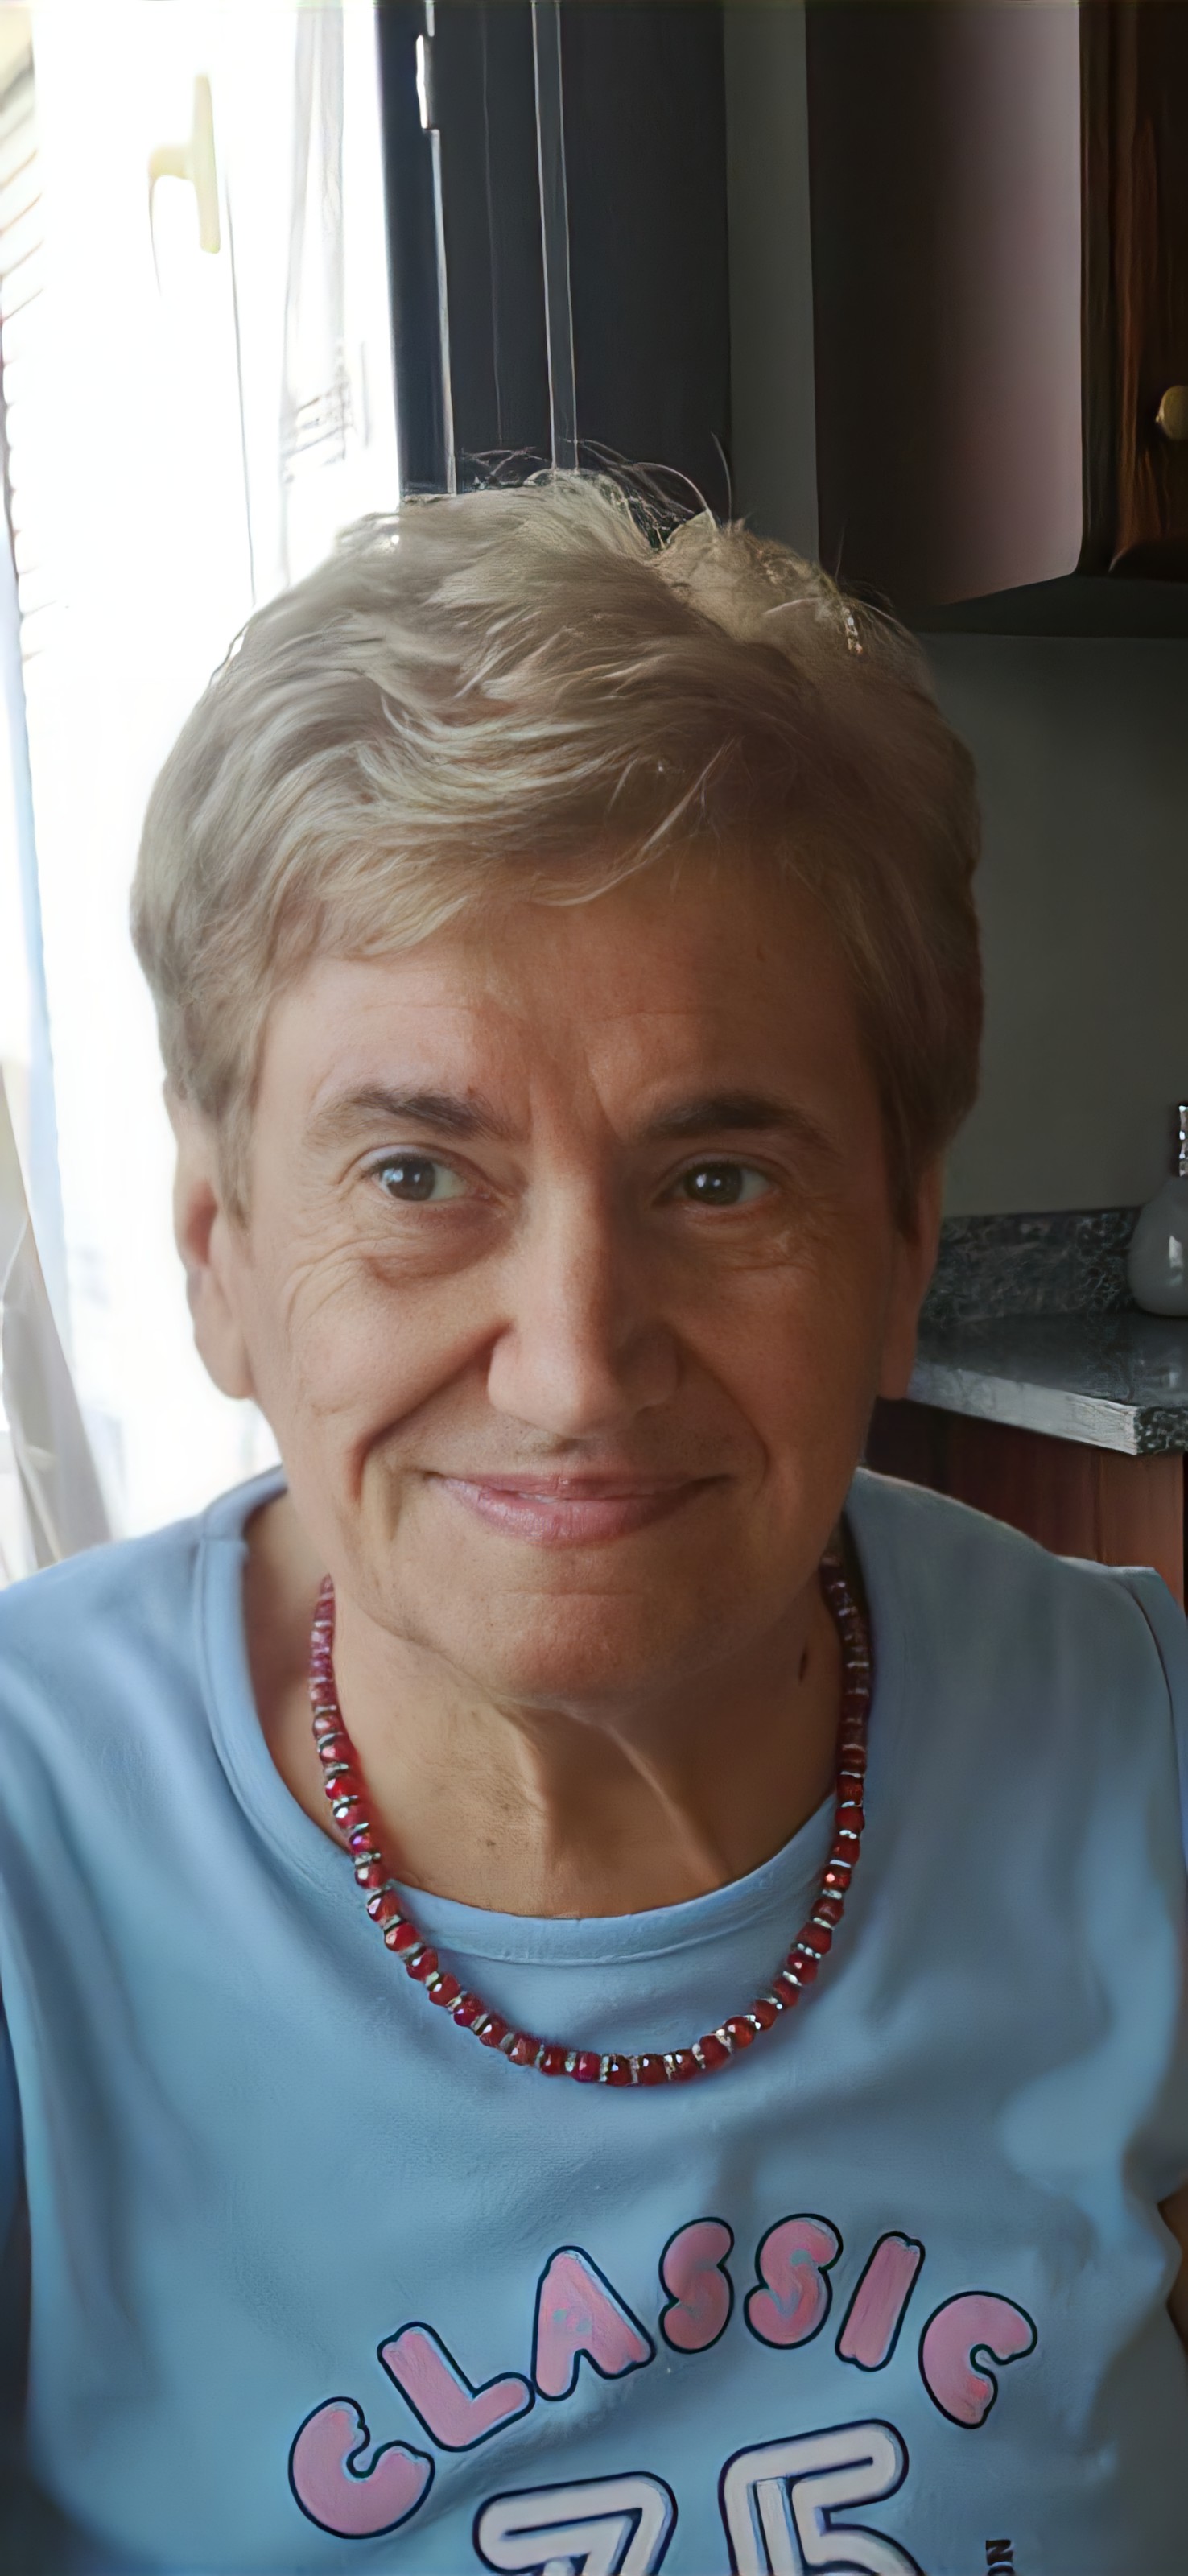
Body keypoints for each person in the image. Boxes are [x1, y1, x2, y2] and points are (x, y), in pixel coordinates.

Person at [0, 474, 1185, 2576]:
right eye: (413, 1176)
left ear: (904, 1246)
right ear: (218, 1257)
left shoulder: (1133, 1746)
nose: (570, 1368)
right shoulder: (37, 1867)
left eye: (719, 1180)